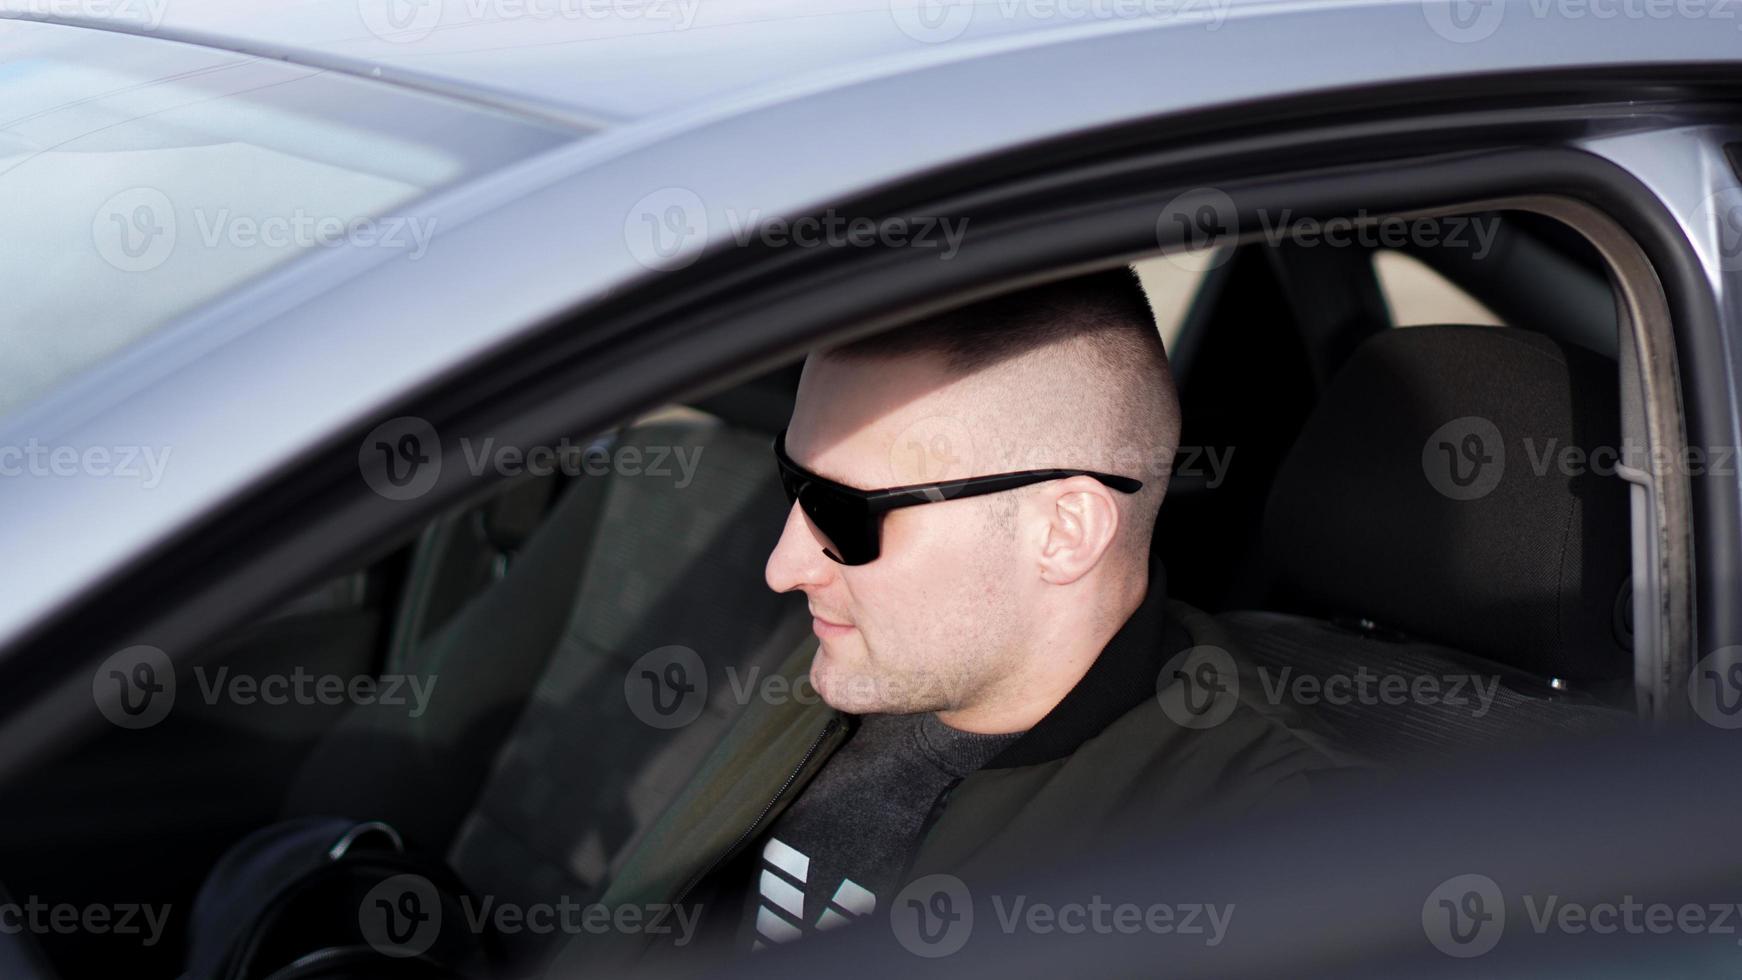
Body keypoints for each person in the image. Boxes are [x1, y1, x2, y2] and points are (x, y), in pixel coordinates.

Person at [551, 267, 1336, 973]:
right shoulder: (853, 663)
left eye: (841, 514)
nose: (784, 567)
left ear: (1064, 532)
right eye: (792, 484)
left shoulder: (1251, 844)